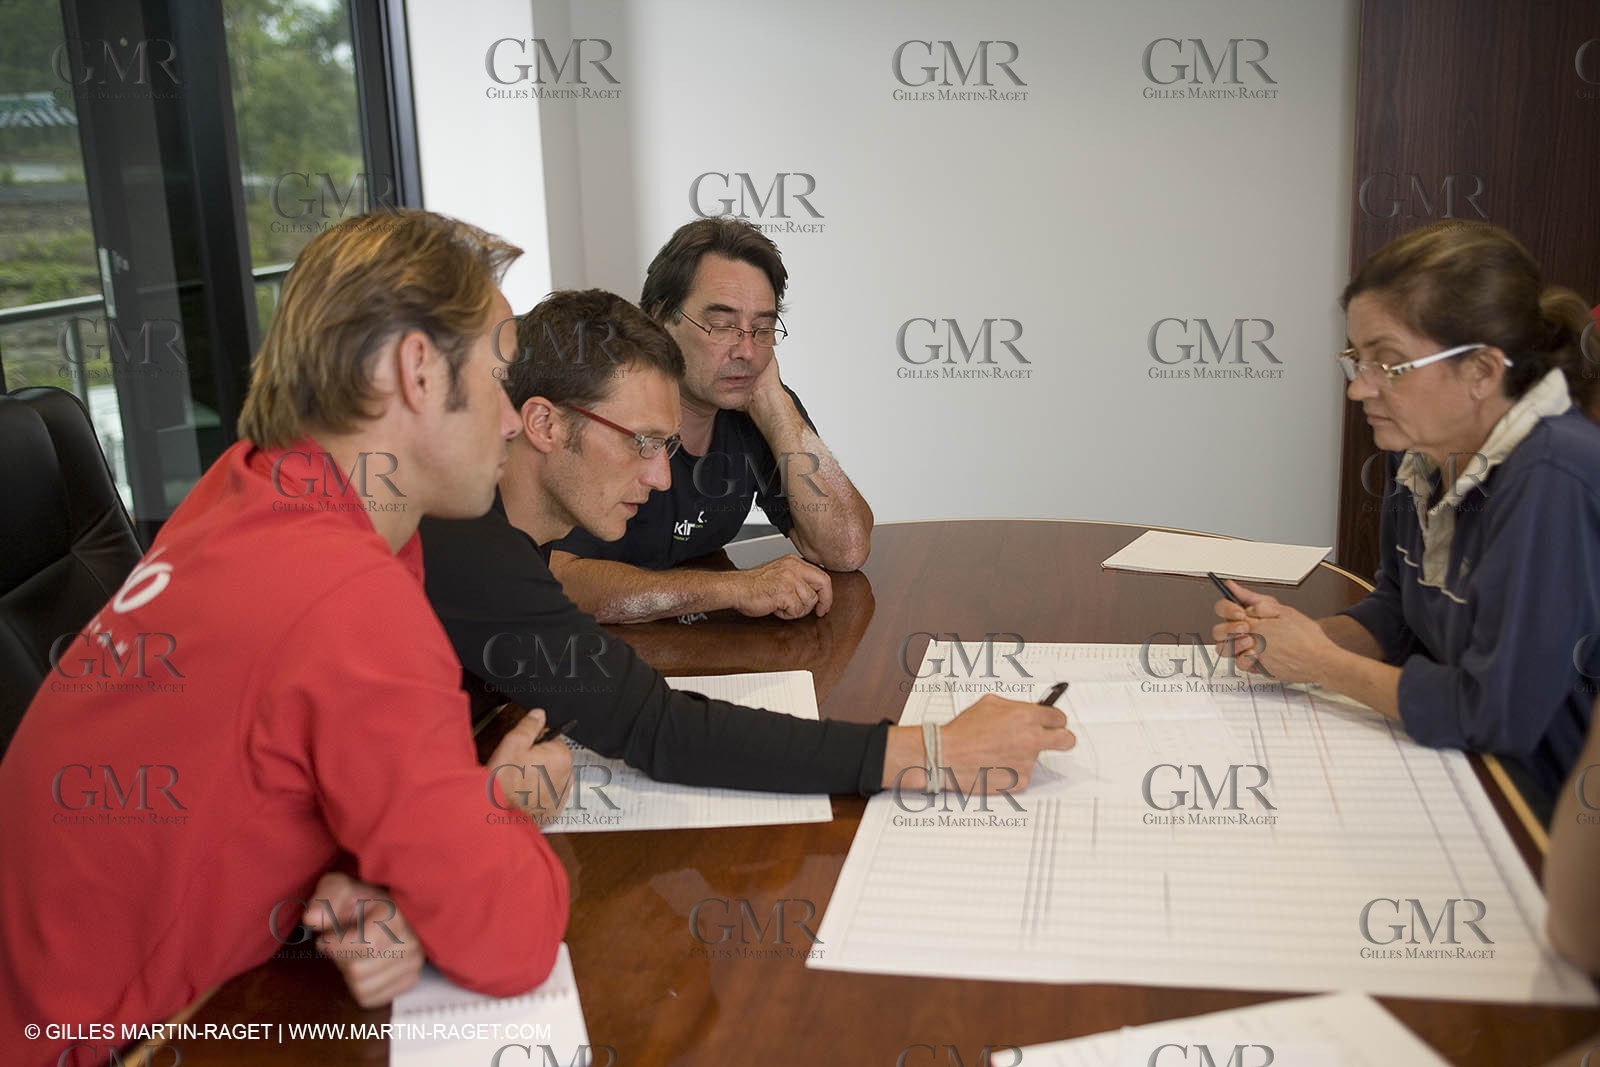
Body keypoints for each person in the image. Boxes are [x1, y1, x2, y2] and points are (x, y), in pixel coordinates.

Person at [0, 209, 573, 1067]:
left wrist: (376, 886)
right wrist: (506, 802)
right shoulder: (344, 599)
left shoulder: (249, 487)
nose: (511, 421)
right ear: (417, 371)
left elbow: (287, 763)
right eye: (497, 379)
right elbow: (511, 938)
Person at [420, 289, 1072, 800]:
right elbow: (657, 728)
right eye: (639, 440)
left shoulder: (498, 535)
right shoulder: (469, 548)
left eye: (665, 444)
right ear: (542, 423)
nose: (660, 473)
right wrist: (933, 752)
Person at [1211, 220, 1600, 819]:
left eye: (1387, 365)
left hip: (1548, 812)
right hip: (1463, 773)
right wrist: (1293, 639)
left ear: (1481, 371)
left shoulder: (1553, 477)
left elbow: (1493, 713)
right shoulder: (1422, 451)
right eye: (1356, 360)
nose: (1358, 390)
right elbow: (1403, 611)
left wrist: (1318, 663)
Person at [549, 218, 874, 623]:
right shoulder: (604, 409)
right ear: (658, 320)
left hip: (691, 646)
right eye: (722, 326)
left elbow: (846, 548)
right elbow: (556, 582)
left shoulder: (757, 402)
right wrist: (733, 589)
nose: (748, 352)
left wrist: (775, 404)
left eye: (763, 328)